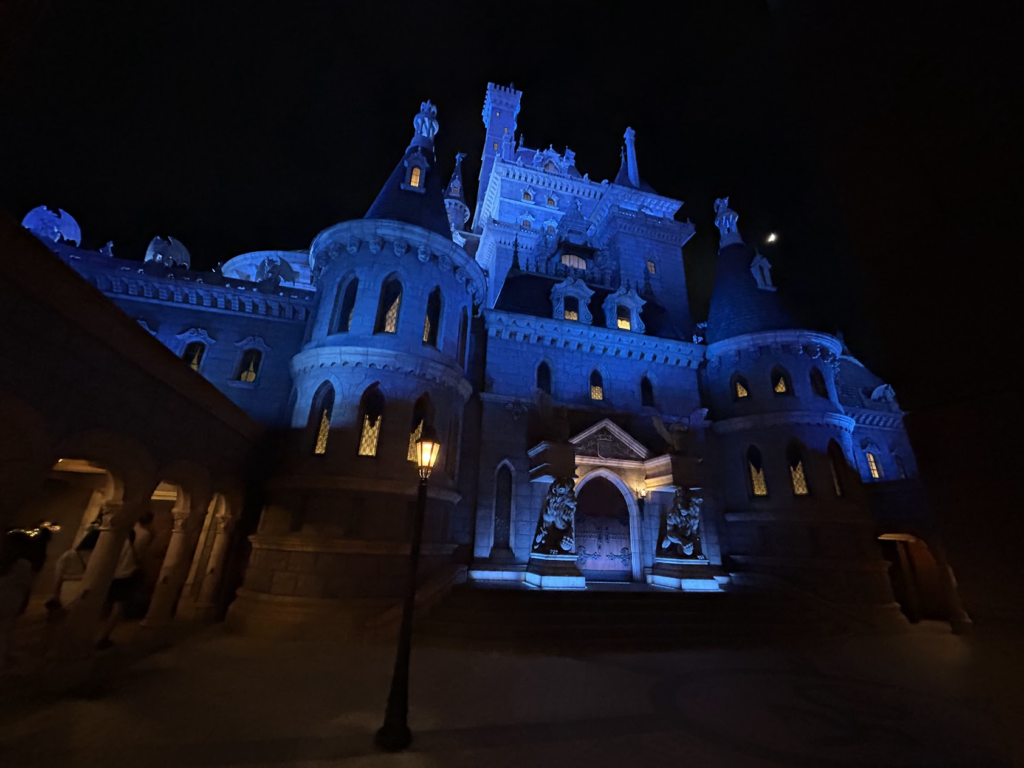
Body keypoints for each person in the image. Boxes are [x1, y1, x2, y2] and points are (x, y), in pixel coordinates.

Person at [0, 523, 56, 669]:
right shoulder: (24, 564)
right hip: (11, 600)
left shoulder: (5, 562)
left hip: (9, 597)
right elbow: (26, 585)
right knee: (5, 629)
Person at [95, 510, 154, 650]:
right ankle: (102, 636)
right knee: (118, 607)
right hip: (125, 573)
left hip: (109, 572)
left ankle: (90, 632)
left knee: (101, 603)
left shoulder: (125, 531)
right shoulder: (145, 535)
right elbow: (139, 556)